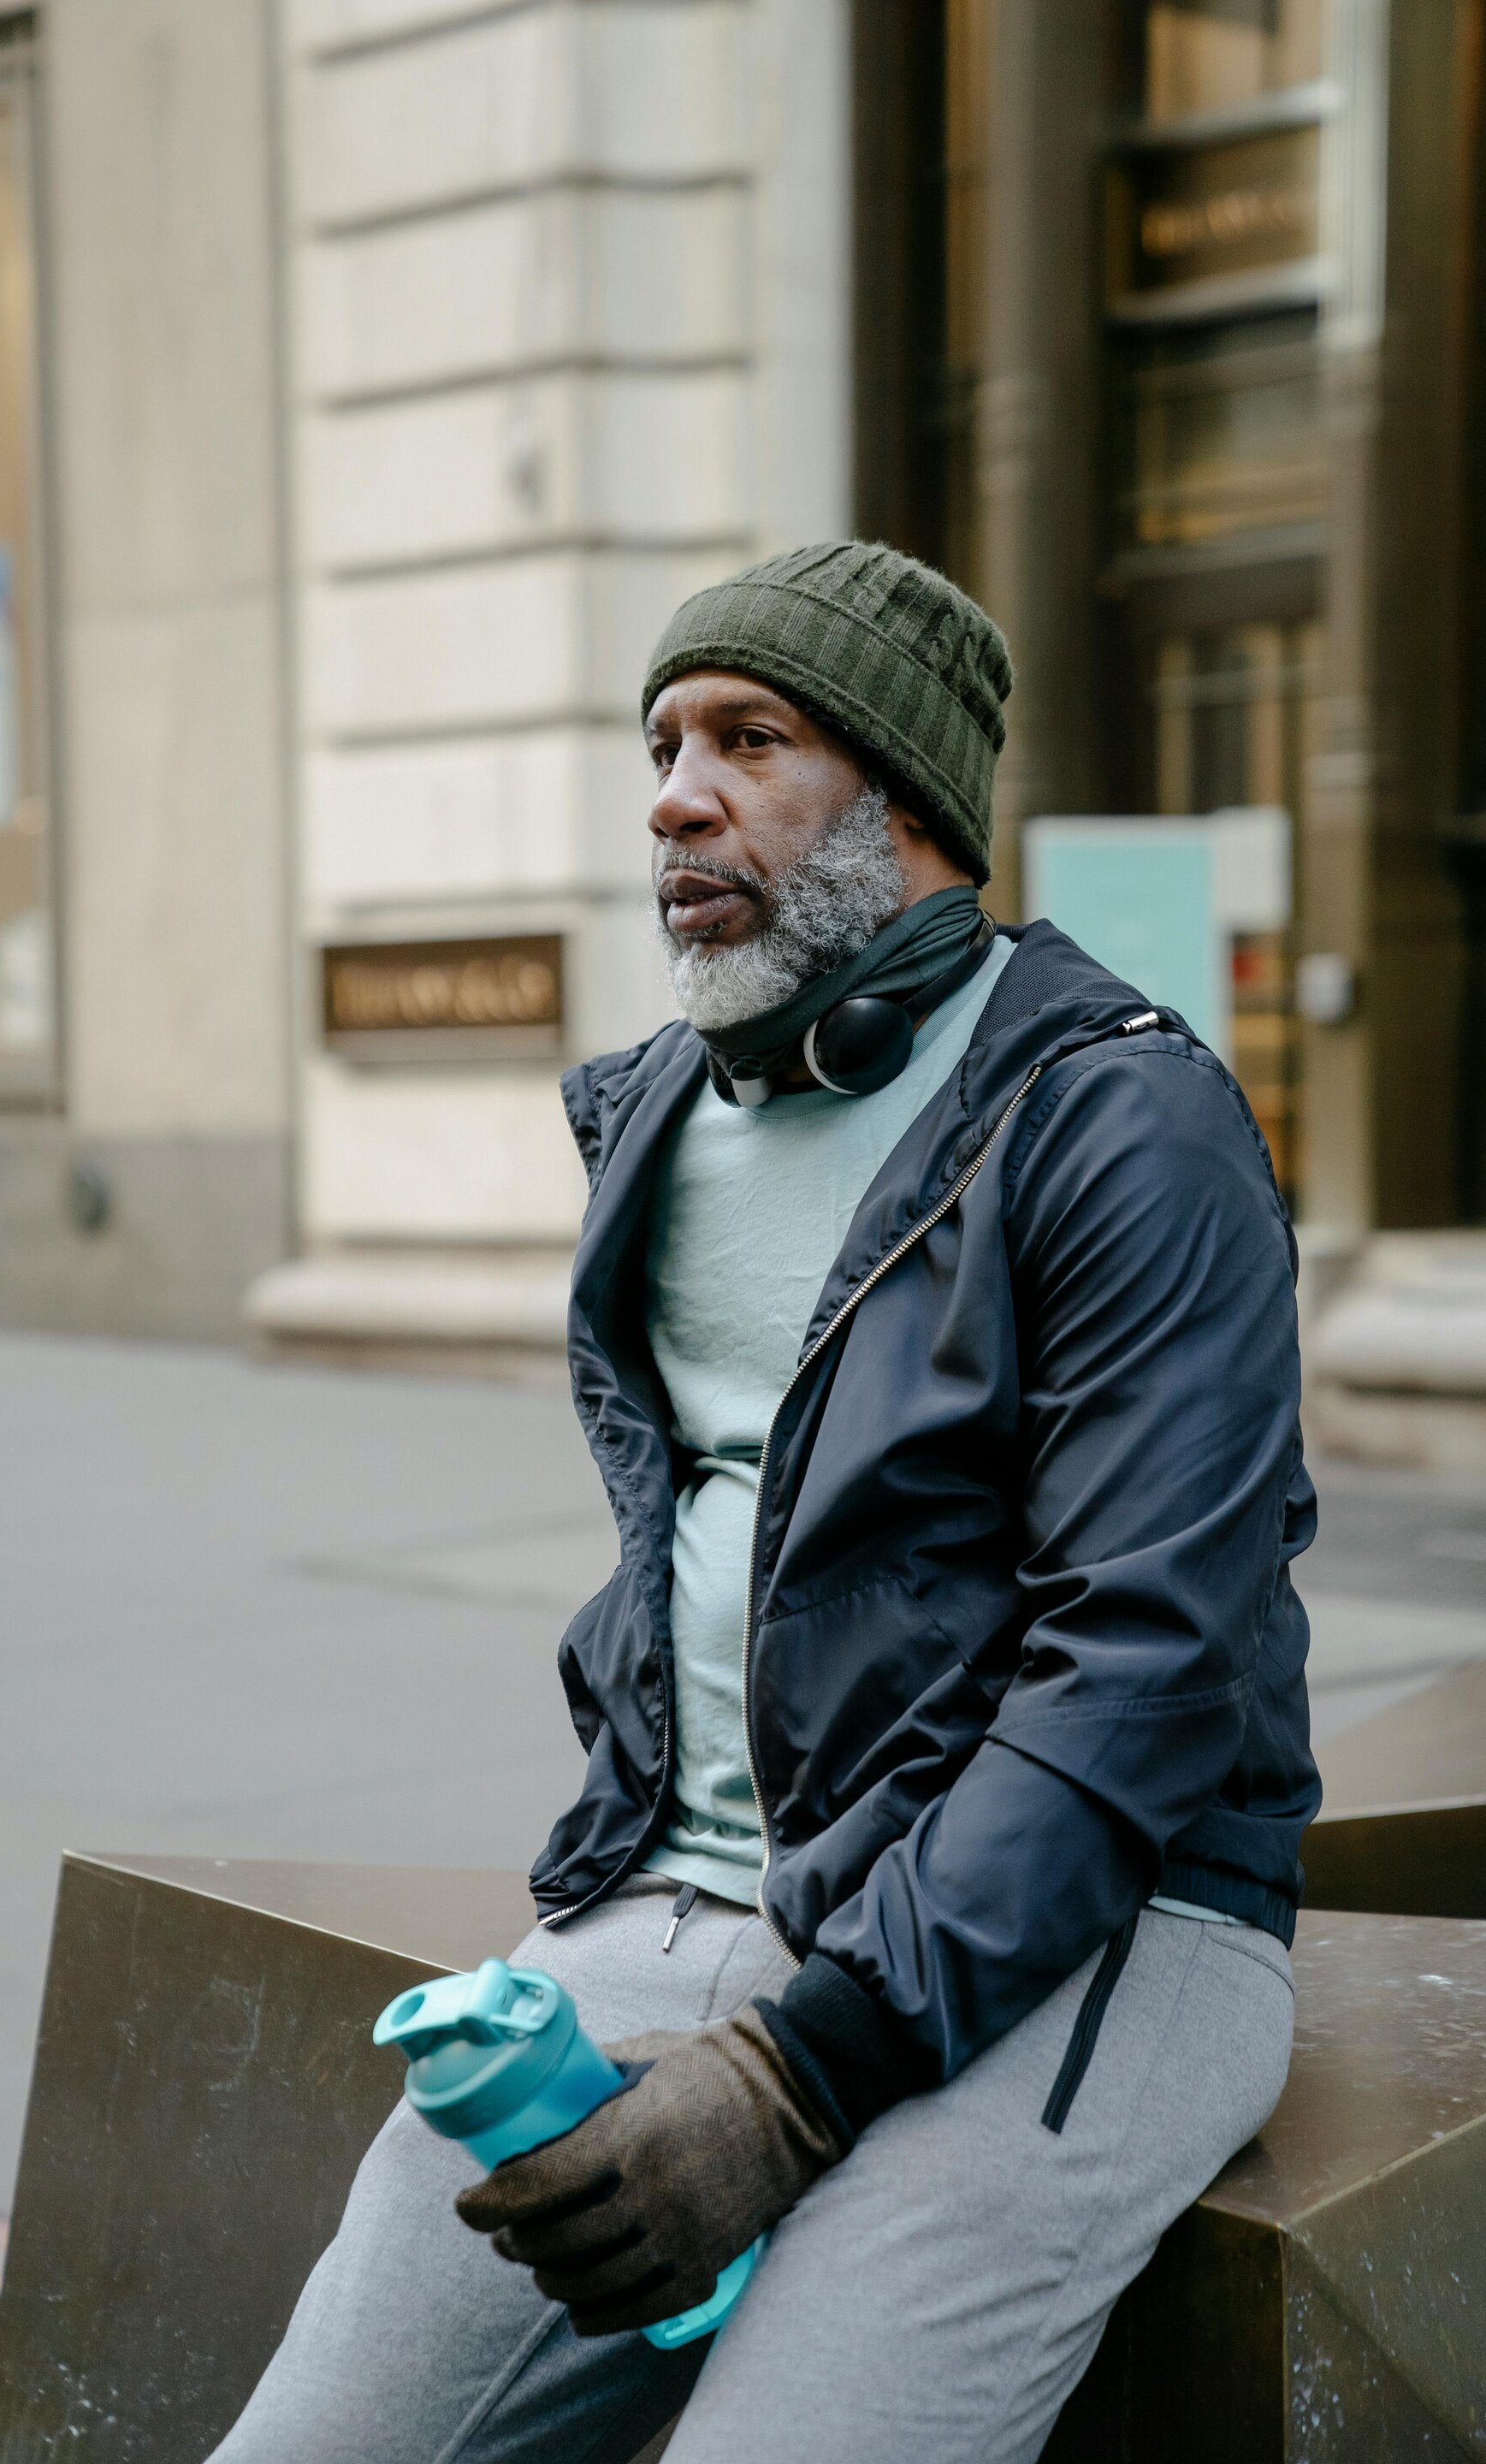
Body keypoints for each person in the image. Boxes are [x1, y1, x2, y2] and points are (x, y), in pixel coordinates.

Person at [210, 542, 1317, 2464]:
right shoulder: (658, 1107)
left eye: (749, 739)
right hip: (687, 1898)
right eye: (662, 745)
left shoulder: (1124, 1120)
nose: (674, 796)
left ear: (907, 802)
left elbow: (1145, 1672)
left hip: (1103, 1928)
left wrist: (799, 2077)